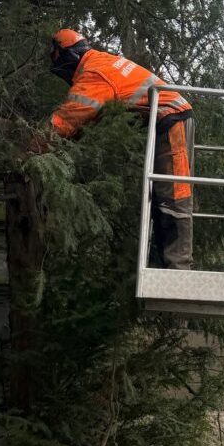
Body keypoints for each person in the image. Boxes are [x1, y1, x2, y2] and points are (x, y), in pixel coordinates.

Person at [46, 28, 193, 270]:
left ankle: (179, 268)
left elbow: (67, 119)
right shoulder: (102, 61)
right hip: (168, 118)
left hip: (169, 119)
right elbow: (93, 118)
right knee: (163, 194)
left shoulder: (93, 74)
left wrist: (34, 144)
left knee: (174, 194)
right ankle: (170, 264)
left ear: (68, 57)